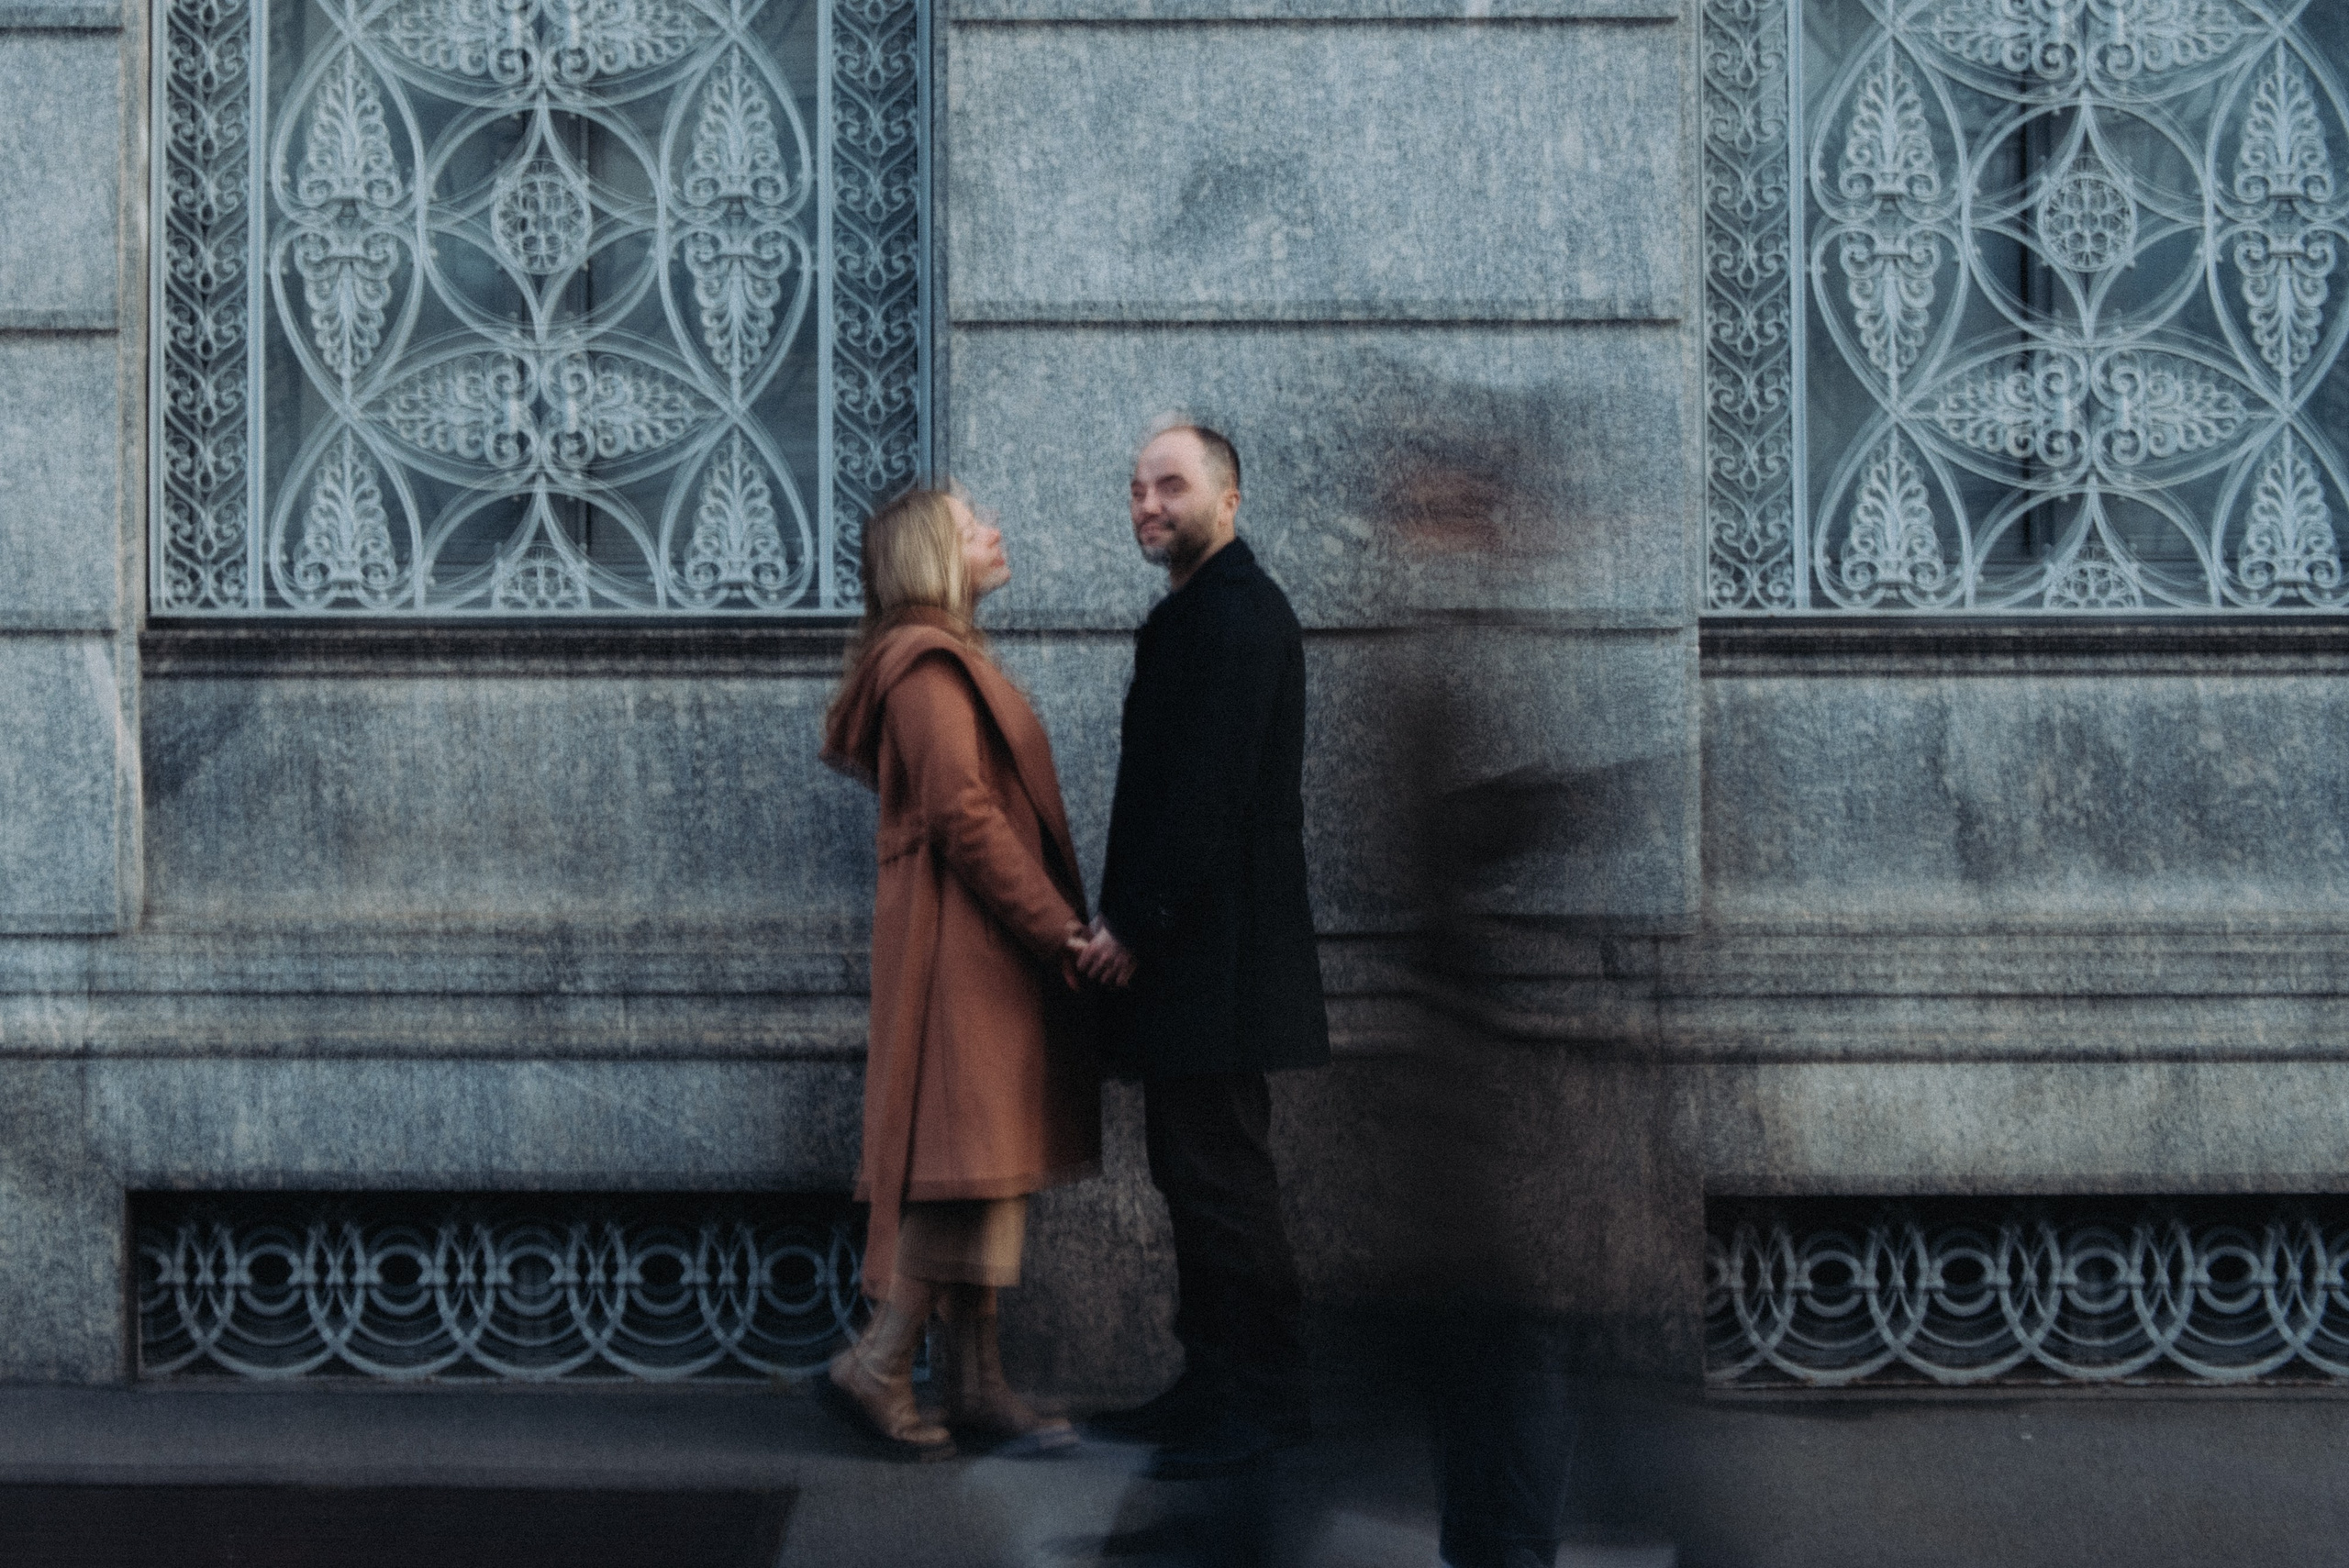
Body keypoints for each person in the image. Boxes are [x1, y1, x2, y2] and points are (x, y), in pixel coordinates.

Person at [819, 485, 1100, 1461]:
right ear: (931, 554)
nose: (994, 527)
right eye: (971, 520)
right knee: (958, 1167)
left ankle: (976, 1380)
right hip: (962, 951)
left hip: (972, 950)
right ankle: (882, 1357)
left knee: (983, 1163)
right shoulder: (924, 664)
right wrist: (1060, 931)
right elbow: (962, 814)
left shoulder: (939, 656)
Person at [1073, 422, 1330, 1478]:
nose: (1146, 504)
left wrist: (1134, 924)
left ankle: (1260, 1401)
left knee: (1221, 1181)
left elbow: (1206, 796)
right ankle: (1214, 1383)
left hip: (1215, 962)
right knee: (1194, 1177)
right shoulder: (1197, 611)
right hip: (1199, 958)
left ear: (1229, 498)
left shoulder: (1235, 615)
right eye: (1136, 488)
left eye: (1169, 486)